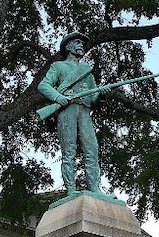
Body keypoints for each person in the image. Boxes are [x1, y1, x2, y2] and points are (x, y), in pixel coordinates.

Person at [38, 32, 102, 196]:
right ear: (68, 46)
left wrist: (101, 95)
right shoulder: (58, 66)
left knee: (92, 149)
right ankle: (71, 190)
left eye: (82, 43)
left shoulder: (86, 70)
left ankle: (95, 188)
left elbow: (93, 96)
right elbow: (44, 86)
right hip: (67, 110)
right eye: (78, 42)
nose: (82, 45)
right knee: (69, 151)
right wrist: (59, 97)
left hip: (85, 111)